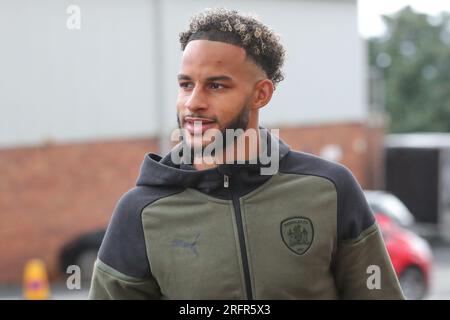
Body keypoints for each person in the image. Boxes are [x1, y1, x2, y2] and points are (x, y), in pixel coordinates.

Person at [89, 8, 405, 300]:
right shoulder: (140, 212)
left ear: (260, 94)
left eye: (216, 86)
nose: (193, 103)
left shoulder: (330, 189)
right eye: (186, 85)